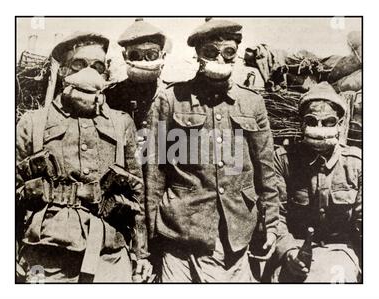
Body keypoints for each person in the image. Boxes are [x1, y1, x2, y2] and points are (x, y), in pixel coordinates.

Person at [145, 18, 279, 282]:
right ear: (198, 54)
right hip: (181, 234)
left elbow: (266, 171)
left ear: (236, 53)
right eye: (210, 51)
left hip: (235, 236)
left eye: (228, 51)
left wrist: (271, 225)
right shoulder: (171, 100)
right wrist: (149, 242)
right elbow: (154, 174)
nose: (220, 57)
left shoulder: (252, 103)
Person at [16, 32, 151, 283]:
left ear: (106, 73)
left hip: (109, 253)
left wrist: (140, 253)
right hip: (47, 253)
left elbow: (137, 192)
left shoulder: (121, 123)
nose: (89, 72)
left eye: (97, 66)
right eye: (80, 64)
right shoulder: (32, 123)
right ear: (64, 69)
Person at [269, 82, 362, 283]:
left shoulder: (357, 163)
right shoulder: (284, 160)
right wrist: (288, 252)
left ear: (339, 124)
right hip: (294, 247)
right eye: (311, 121)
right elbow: (275, 216)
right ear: (302, 124)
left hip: (338, 250)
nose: (319, 129)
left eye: (328, 122)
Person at [105, 18, 168, 131]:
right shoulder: (111, 96)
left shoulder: (172, 96)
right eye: (135, 55)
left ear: (162, 57)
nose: (143, 61)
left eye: (151, 54)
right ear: (125, 56)